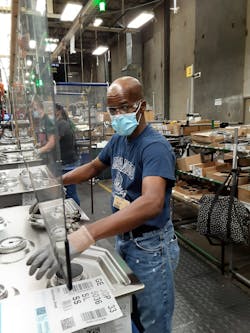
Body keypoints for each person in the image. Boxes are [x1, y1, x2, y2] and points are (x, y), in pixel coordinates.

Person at [27, 76, 180, 333]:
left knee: (155, 320)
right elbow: (95, 166)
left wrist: (88, 234)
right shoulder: (120, 140)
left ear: (141, 106)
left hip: (152, 246)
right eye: (112, 110)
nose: (118, 115)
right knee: (134, 309)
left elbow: (152, 202)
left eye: (124, 107)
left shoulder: (155, 147)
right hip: (125, 239)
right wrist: (57, 182)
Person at [55, 103, 80, 205]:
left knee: (70, 192)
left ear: (58, 111)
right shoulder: (61, 123)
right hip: (66, 161)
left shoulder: (62, 124)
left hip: (68, 163)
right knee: (68, 192)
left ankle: (77, 214)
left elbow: (54, 142)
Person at [32, 96, 57, 174]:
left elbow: (51, 142)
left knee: (51, 177)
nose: (33, 109)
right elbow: (44, 137)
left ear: (37, 105)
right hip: (44, 156)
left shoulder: (47, 120)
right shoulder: (41, 120)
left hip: (50, 157)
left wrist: (39, 150)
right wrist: (39, 144)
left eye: (33, 106)